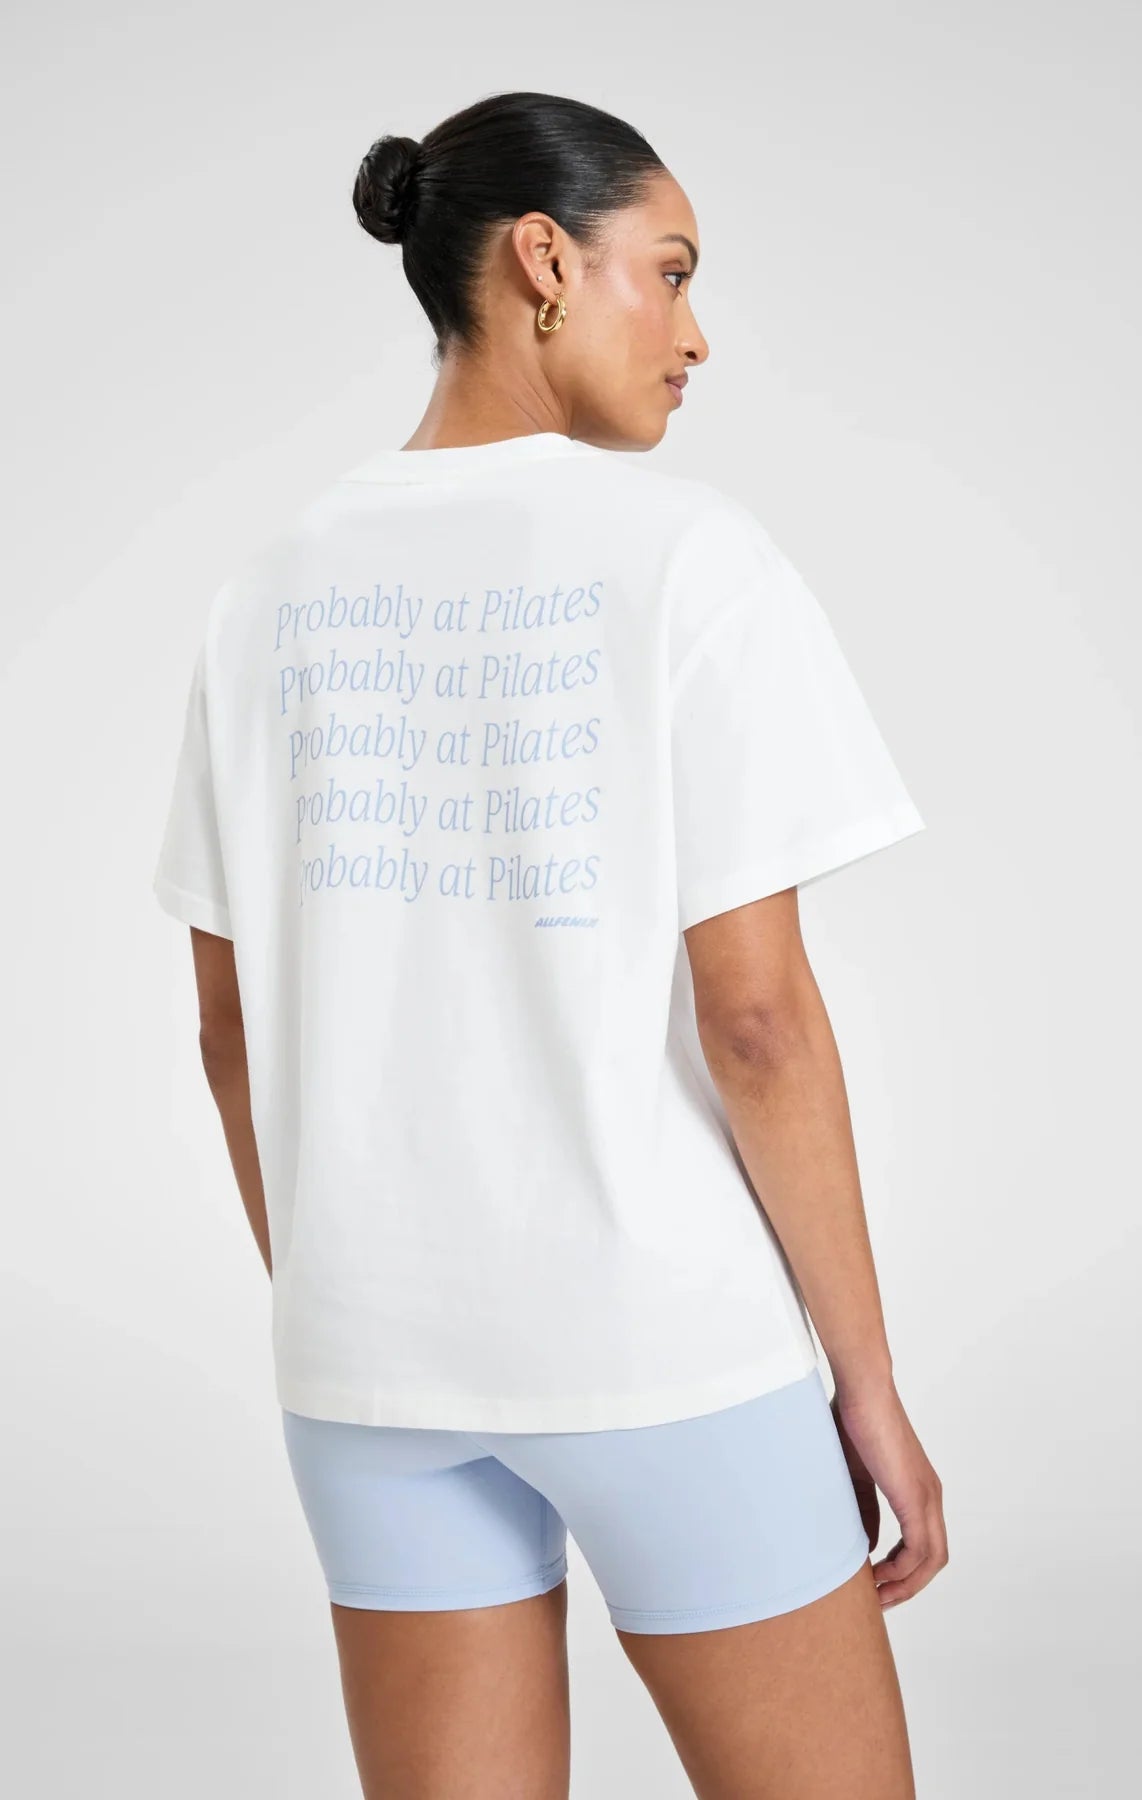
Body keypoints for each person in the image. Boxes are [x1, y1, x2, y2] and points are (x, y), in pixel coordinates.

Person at [152, 88, 946, 1800]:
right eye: (672, 271)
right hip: (664, 1353)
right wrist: (867, 1383)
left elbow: (228, 1035)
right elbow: (757, 1021)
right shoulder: (687, 559)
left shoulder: (263, 592)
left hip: (365, 1371)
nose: (697, 335)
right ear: (543, 262)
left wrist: (358, 1299)